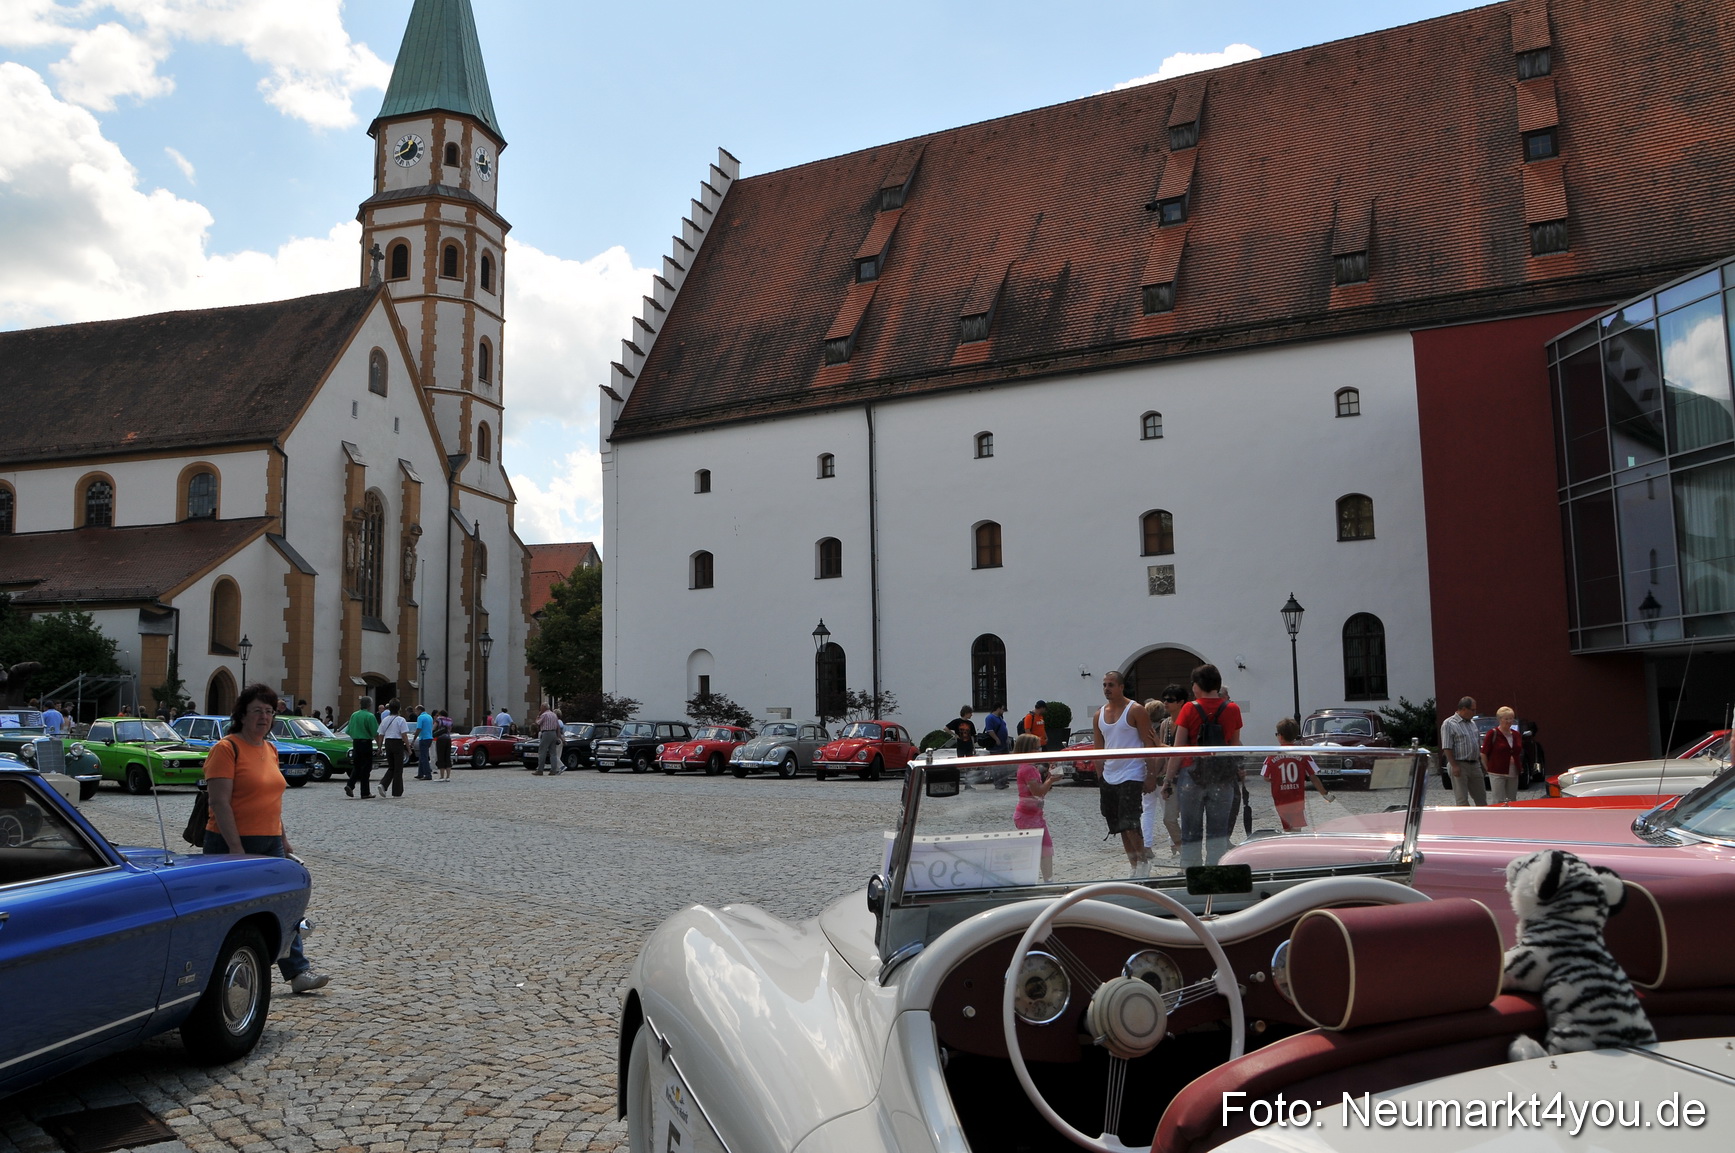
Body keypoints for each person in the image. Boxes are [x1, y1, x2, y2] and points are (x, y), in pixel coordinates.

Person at [202, 682, 330, 994]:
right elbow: (219, 802)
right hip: (230, 843)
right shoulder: (226, 748)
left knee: (285, 905)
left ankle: (298, 971)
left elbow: (271, 799)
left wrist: (283, 839)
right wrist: (235, 848)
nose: (264, 717)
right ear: (242, 714)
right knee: (230, 910)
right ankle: (215, 971)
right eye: (257, 711)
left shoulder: (270, 749)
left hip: (269, 840)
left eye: (269, 712)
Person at [1167, 663, 1245, 868]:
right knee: (1218, 831)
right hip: (1222, 776)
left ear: (1197, 686)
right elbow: (1234, 747)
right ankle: (1215, 872)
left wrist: (1167, 780)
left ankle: (1191, 872)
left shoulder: (1189, 708)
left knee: (1190, 830)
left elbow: (1178, 749)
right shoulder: (1232, 708)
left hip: (1192, 775)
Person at [1093, 670, 1163, 877]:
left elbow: (1148, 743)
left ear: (1121, 687)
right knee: (1118, 825)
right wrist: (1100, 778)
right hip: (1110, 774)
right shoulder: (1099, 714)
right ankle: (1134, 865)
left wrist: (1151, 775)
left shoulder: (1136, 710)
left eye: (1111, 685)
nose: (1107, 689)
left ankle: (1143, 862)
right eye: (1104, 685)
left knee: (1131, 821)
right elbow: (1098, 749)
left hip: (1132, 772)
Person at [1262, 718, 1336, 831]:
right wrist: (1324, 793)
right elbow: (1313, 776)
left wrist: (1278, 779)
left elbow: (1266, 777)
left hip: (1280, 799)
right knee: (1297, 830)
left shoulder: (1272, 754)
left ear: (1280, 736)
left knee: (1287, 829)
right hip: (1297, 798)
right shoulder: (1302, 753)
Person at [1146, 686, 1187, 857]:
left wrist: (1160, 745)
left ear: (1180, 702)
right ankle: (1183, 851)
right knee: (1169, 819)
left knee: (1187, 819)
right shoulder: (1165, 724)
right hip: (1170, 777)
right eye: (1164, 699)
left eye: (1169, 700)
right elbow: (1163, 753)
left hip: (1187, 776)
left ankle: (1188, 858)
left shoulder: (1187, 721)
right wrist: (1153, 775)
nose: (1165, 703)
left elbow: (1180, 750)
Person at [1011, 733, 1055, 882]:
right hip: (1028, 816)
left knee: (1045, 848)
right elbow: (1039, 791)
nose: (1040, 751)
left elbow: (1039, 792)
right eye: (1037, 748)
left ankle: (1047, 880)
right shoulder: (1028, 769)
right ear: (1028, 750)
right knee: (1040, 849)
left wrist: (1049, 779)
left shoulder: (1029, 767)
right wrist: (1051, 780)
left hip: (1034, 815)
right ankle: (1041, 880)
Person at [1440, 696, 1486, 806]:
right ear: (1464, 709)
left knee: (1481, 798)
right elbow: (1447, 747)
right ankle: (1465, 822)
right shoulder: (1449, 723)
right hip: (1459, 764)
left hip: (1474, 764)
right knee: (1462, 800)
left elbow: (1476, 743)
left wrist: (1481, 763)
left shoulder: (1472, 723)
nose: (1474, 712)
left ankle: (1483, 821)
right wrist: (1454, 765)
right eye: (1473, 710)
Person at [1481, 705, 1524, 804]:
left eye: (1511, 718)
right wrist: (1488, 769)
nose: (1509, 721)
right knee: (1498, 800)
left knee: (1512, 800)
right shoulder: (1493, 733)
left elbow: (1517, 752)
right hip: (1497, 772)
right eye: (1506, 719)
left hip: (1513, 771)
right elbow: (1483, 754)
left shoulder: (1516, 734)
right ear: (1500, 719)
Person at [344, 696, 379, 798]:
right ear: (369, 705)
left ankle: (350, 785)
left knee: (357, 766)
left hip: (356, 743)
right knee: (366, 768)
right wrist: (379, 746)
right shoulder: (370, 716)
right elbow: (374, 732)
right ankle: (365, 792)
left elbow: (348, 730)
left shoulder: (354, 715)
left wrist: (356, 736)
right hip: (366, 743)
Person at [377, 700, 411, 797]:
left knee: (391, 766)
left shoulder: (385, 720)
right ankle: (397, 792)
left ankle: (383, 784)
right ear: (399, 708)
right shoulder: (401, 720)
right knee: (398, 768)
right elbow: (404, 735)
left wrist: (379, 747)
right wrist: (408, 748)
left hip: (388, 743)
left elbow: (380, 734)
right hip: (397, 743)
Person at [534, 702, 563, 776]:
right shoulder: (554, 715)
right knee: (553, 753)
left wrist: (538, 716)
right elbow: (558, 727)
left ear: (544, 707)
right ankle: (553, 770)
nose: (540, 708)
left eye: (541, 707)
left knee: (542, 751)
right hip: (553, 733)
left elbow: (537, 723)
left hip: (546, 733)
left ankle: (540, 770)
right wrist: (559, 737)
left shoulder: (544, 715)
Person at [413, 705, 435, 780]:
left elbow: (419, 728)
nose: (415, 713)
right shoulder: (429, 717)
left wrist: (414, 738)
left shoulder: (420, 717)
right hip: (429, 737)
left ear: (419, 710)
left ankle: (428, 774)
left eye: (416, 711)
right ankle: (420, 773)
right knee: (422, 756)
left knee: (424, 757)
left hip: (423, 738)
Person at [435, 709, 454, 780]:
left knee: (441, 756)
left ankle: (442, 776)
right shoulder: (450, 720)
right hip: (448, 739)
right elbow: (450, 729)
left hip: (440, 739)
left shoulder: (439, 719)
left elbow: (434, 727)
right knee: (447, 756)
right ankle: (448, 776)